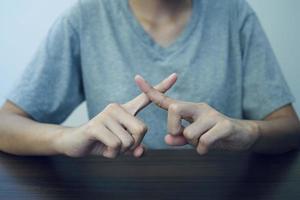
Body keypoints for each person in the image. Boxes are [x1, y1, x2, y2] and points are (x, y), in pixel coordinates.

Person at [0, 0, 299, 158]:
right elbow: (5, 125)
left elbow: (289, 129)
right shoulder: (84, 18)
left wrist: (249, 131)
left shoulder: (235, 13)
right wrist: (66, 137)